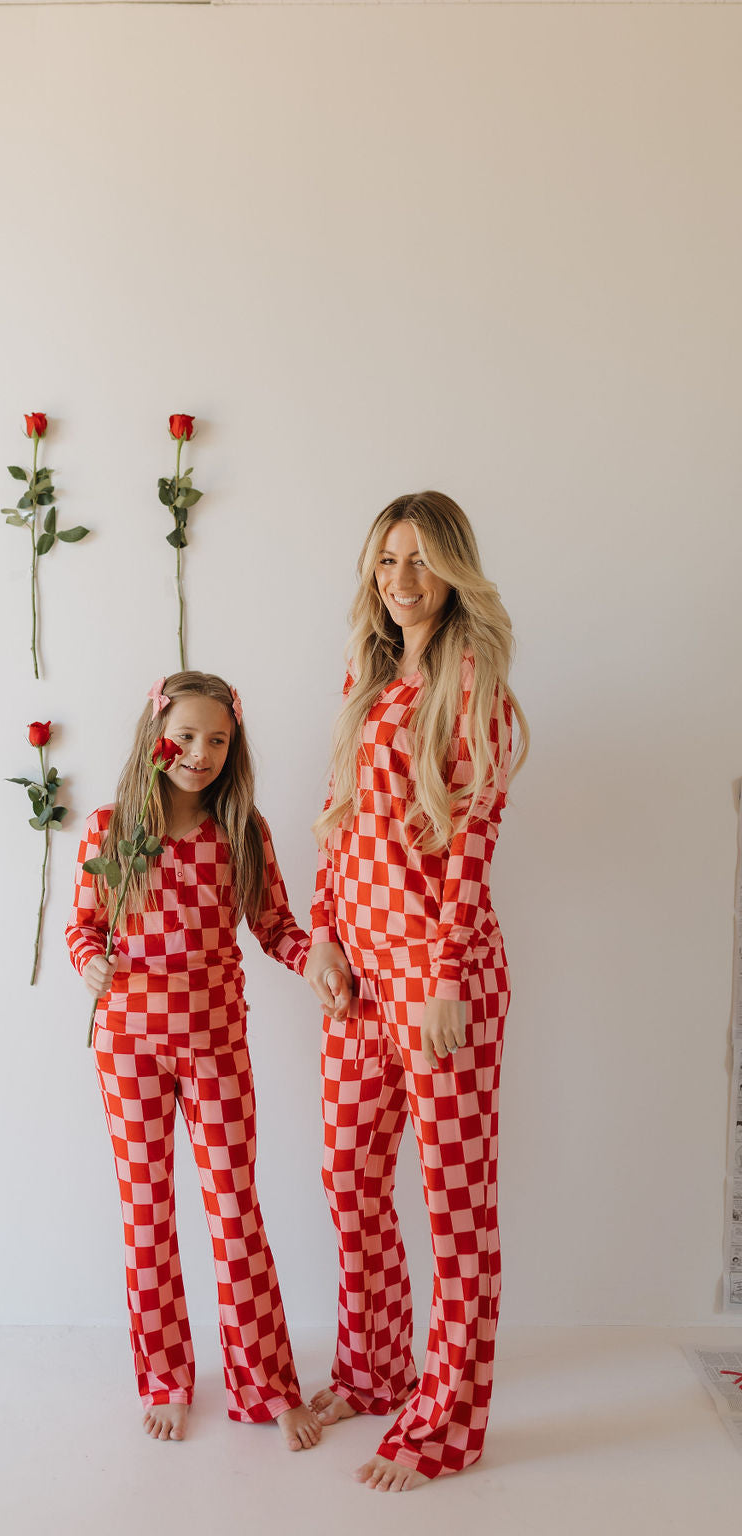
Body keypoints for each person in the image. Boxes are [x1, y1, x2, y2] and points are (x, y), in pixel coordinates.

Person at [304, 491, 528, 1491]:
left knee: (453, 1206)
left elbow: (470, 841)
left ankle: (447, 1421)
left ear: (452, 570)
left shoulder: (470, 677)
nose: (399, 578)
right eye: (385, 559)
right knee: (348, 1178)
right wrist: (324, 936)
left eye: (419, 560)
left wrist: (442, 980)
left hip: (443, 982)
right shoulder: (365, 673)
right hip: (359, 982)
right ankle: (375, 1368)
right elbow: (337, 817)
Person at [67, 671, 322, 1452]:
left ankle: (266, 1382)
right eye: (185, 736)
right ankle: (167, 1378)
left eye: (217, 739)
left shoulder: (242, 832)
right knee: (148, 1217)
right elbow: (83, 927)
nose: (200, 752)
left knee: (234, 1215)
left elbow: (278, 926)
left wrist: (319, 961)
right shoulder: (111, 830)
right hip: (127, 1049)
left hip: (215, 1050)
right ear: (155, 737)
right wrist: (90, 965)